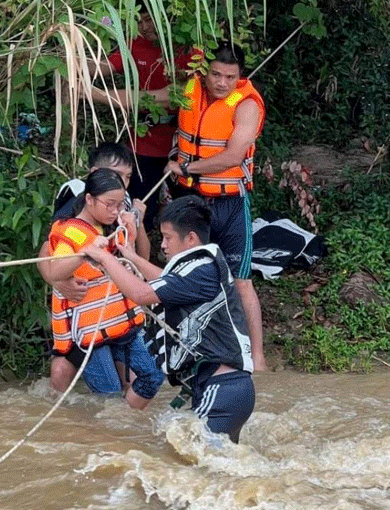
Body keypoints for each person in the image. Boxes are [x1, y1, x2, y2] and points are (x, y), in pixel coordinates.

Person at [83, 195, 255, 443]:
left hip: (222, 389)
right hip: (228, 390)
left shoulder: (202, 269)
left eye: (168, 238)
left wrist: (104, 258)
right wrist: (128, 255)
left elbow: (141, 293)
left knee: (190, 463)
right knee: (212, 468)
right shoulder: (201, 267)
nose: (163, 245)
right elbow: (165, 280)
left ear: (191, 239)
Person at [165, 41, 268, 372]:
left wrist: (187, 167)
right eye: (216, 74)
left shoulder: (246, 105)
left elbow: (234, 156)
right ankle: (186, 353)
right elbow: (149, 99)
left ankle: (259, 359)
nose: (222, 83)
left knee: (241, 281)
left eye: (230, 76)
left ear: (240, 77)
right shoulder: (190, 90)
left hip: (231, 205)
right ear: (204, 72)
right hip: (192, 202)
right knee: (183, 273)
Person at [37, 143, 152, 393]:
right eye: (115, 174)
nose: (120, 181)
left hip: (116, 310)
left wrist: (138, 221)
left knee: (133, 381)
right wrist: (56, 281)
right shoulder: (75, 199)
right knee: (68, 373)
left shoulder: (123, 203)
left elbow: (142, 257)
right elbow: (48, 252)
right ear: (94, 173)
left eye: (127, 177)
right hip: (85, 310)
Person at [88, 0, 192, 231]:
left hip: (181, 143)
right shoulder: (134, 44)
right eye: (139, 21)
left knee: (185, 209)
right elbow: (102, 66)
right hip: (142, 143)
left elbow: (165, 97)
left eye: (149, 20)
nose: (144, 27)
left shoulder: (187, 49)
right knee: (139, 207)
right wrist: (66, 63)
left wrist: (90, 94)